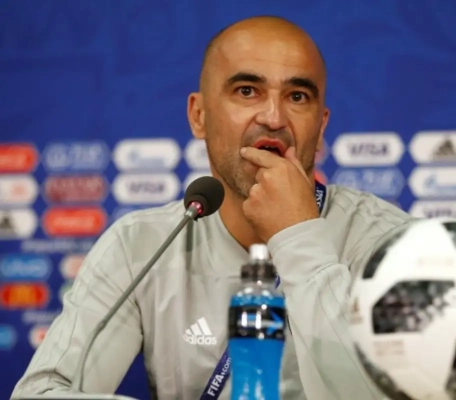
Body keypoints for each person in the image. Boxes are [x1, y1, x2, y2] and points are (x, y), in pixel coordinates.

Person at [12, 16, 413, 400]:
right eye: (247, 91)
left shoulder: (389, 243)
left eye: (297, 96)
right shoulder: (141, 245)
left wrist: (298, 235)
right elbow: (41, 394)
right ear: (199, 116)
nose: (274, 117)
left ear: (320, 126)